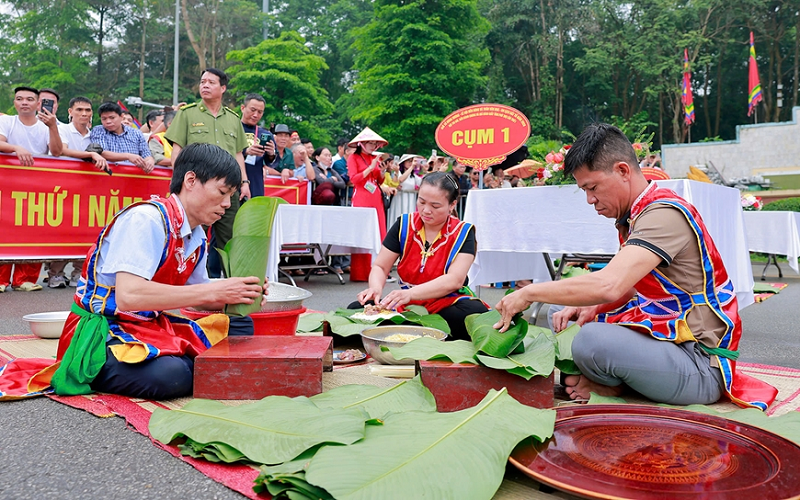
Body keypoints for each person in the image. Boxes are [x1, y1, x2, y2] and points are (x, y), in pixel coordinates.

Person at [494, 123, 777, 409]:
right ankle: (610, 379)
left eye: (592, 187)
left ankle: (610, 384)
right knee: (562, 313)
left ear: (622, 171)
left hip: (700, 363)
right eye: (584, 191)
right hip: (669, 337)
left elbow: (609, 285)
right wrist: (590, 306)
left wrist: (529, 293)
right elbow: (630, 287)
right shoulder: (636, 214)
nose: (590, 199)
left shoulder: (663, 214)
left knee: (591, 340)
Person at [0, 143, 268, 401]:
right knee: (172, 375)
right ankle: (97, 369)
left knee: (240, 325)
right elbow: (130, 296)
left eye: (231, 196)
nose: (227, 204)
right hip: (105, 329)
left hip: (147, 325)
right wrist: (215, 289)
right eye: (222, 192)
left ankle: (186, 363)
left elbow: (197, 296)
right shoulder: (147, 219)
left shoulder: (197, 235)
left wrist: (237, 293)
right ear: (190, 180)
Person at [355, 172, 489, 340]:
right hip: (406, 304)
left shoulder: (463, 232)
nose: (426, 210)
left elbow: (455, 280)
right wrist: (375, 288)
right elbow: (381, 266)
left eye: (435, 206)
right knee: (358, 308)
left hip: (446, 302)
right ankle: (424, 333)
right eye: (421, 201)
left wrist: (410, 294)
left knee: (473, 315)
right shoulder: (404, 224)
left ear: (452, 205)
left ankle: (406, 332)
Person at [165, 68, 250, 278]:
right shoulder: (187, 114)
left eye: (211, 82)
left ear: (222, 88)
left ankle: (235, 289)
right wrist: (180, 184)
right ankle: (186, 285)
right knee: (190, 236)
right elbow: (177, 151)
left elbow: (238, 154)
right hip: (198, 189)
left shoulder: (233, 119)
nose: (205, 85)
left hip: (227, 189)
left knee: (231, 239)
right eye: (202, 81)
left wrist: (244, 182)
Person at [0, 86, 63, 293]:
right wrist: (16, 148)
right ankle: (2, 279)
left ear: (38, 104)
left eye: (29, 99)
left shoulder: (46, 126)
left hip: (37, 186)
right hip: (8, 185)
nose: (24, 102)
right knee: (5, 229)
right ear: (15, 102)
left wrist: (53, 127)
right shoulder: (7, 121)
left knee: (33, 230)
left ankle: (24, 278)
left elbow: (56, 151)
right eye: (19, 99)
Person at [52, 96, 108, 288]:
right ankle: (55, 274)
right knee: (63, 230)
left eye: (87, 110)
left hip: (88, 189)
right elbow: (62, 150)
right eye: (79, 110)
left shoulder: (93, 134)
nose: (84, 114)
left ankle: (79, 272)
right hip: (62, 188)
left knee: (85, 230)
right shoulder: (62, 129)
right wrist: (91, 154)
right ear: (70, 112)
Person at [346, 127, 390, 239]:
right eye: (371, 143)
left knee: (378, 229)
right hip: (361, 196)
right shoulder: (353, 157)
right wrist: (370, 168)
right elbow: (354, 179)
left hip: (376, 197)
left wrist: (383, 171)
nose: (373, 146)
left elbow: (379, 181)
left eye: (375, 143)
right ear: (362, 143)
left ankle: (379, 256)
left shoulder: (376, 158)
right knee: (362, 230)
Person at [90, 102, 154, 173]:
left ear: (121, 116)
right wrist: (128, 156)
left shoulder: (136, 133)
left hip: (132, 176)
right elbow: (101, 152)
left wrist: (149, 161)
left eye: (112, 118)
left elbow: (146, 153)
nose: (108, 121)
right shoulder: (98, 131)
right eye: (104, 119)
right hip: (108, 175)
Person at [239, 93, 274, 197]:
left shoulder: (265, 134)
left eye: (260, 112)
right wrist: (246, 152)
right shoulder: (232, 129)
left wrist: (271, 154)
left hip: (255, 180)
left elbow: (271, 162)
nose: (255, 115)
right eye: (252, 110)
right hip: (233, 178)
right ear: (243, 108)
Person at [387, 154, 422, 225]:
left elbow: (423, 183)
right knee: (398, 216)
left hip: (410, 200)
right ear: (403, 162)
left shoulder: (413, 176)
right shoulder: (397, 172)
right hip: (399, 199)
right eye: (408, 161)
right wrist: (412, 167)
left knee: (408, 217)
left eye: (412, 161)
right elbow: (401, 179)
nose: (411, 163)